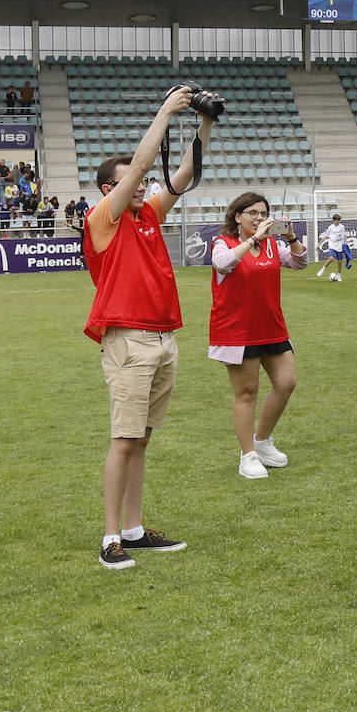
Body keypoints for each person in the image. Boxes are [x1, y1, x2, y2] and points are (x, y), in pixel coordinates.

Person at [84, 86, 216, 570]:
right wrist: (165, 111)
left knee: (141, 439)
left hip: (162, 338)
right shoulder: (103, 218)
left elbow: (185, 176)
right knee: (123, 439)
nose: (141, 187)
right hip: (128, 338)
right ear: (108, 189)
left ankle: (135, 530)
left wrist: (205, 123)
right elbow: (143, 166)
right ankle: (110, 537)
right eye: (130, 184)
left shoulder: (147, 216)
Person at [209, 192, 308, 479]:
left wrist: (290, 237)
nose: (259, 218)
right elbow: (222, 263)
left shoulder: (272, 245)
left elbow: (300, 263)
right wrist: (252, 240)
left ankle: (262, 441)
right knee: (246, 393)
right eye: (252, 212)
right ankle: (247, 455)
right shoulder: (223, 243)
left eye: (263, 213)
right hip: (238, 330)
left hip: (272, 327)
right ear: (237, 216)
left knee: (286, 383)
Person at [315, 214, 350, 281]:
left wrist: (345, 243)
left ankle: (339, 275)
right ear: (333, 220)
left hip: (339, 245)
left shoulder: (342, 227)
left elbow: (345, 235)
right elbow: (325, 236)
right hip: (332, 245)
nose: (338, 222)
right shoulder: (330, 227)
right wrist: (318, 244)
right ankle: (323, 269)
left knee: (339, 261)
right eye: (337, 221)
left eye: (339, 220)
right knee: (331, 258)